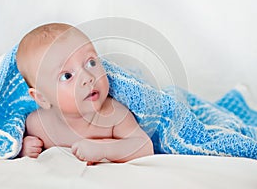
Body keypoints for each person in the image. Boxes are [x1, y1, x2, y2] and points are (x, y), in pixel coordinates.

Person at [16, 23, 154, 164]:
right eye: (67, 76)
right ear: (42, 98)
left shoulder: (114, 115)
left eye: (91, 63)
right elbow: (10, 142)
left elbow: (145, 146)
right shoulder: (36, 124)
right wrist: (23, 149)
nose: (88, 78)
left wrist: (104, 149)